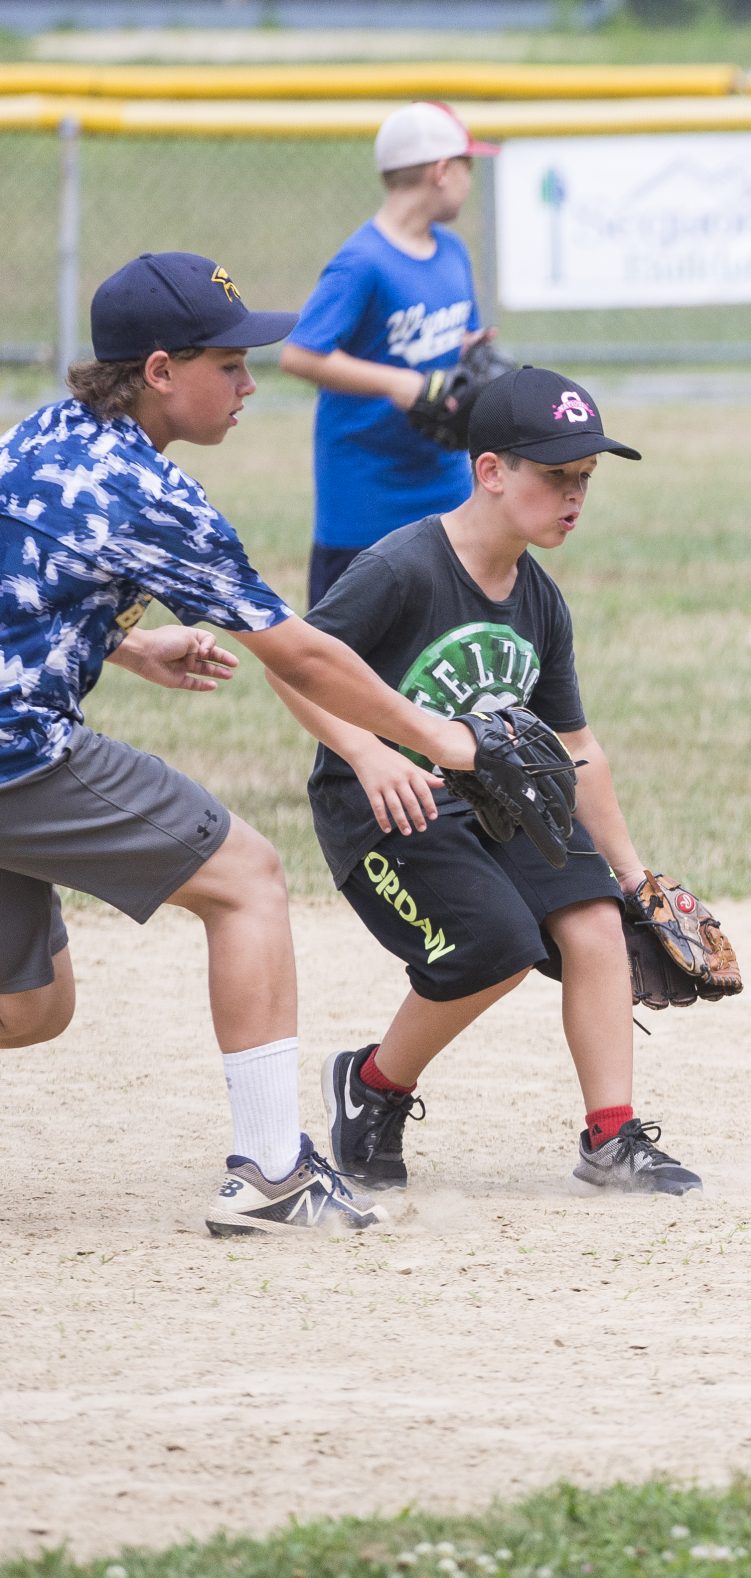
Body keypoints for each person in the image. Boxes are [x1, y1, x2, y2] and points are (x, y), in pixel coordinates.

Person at [0, 251, 483, 1234]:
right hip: (19, 752)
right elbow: (299, 654)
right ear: (162, 371)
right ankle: (272, 1174)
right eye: (229, 363)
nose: (251, 383)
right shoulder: (147, 490)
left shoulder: (44, 434)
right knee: (248, 878)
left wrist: (127, 646)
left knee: (31, 1008)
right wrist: (439, 734)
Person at [267, 367, 702, 1198]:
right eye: (556, 476)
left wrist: (633, 870)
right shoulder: (404, 568)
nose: (575, 496)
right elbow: (292, 667)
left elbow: (577, 747)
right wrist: (365, 750)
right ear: (492, 471)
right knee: (497, 945)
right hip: (388, 805)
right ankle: (372, 1088)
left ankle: (612, 1138)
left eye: (585, 480)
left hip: (502, 802)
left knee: (595, 919)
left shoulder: (541, 601)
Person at [281, 100, 496, 607]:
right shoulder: (362, 262)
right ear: (443, 171)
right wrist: (399, 383)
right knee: (346, 661)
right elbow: (301, 355)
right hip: (366, 494)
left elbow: (448, 343)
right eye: (468, 165)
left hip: (446, 486)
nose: (470, 177)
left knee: (445, 643)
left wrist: (468, 355)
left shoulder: (453, 252)